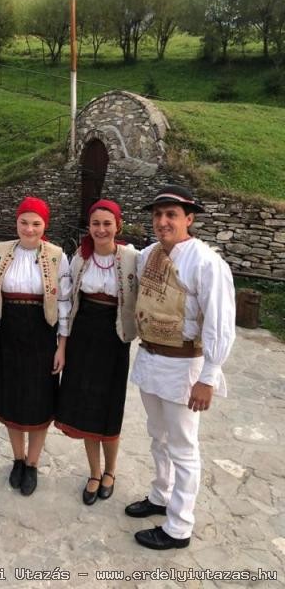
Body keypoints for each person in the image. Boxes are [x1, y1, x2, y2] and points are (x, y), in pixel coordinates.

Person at [125, 185, 235, 550]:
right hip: (151, 359)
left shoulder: (206, 263)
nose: (162, 221)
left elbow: (219, 323)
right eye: (157, 215)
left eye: (171, 215)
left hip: (184, 365)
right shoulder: (148, 256)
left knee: (184, 448)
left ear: (189, 219)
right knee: (158, 436)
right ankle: (160, 495)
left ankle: (179, 527)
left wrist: (208, 376)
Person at [55, 199, 138, 505]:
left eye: (107, 223)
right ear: (88, 227)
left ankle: (111, 471)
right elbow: (68, 302)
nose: (101, 229)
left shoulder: (132, 258)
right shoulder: (79, 259)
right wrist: (63, 345)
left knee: (109, 407)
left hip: (115, 340)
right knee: (86, 407)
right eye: (95, 224)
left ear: (118, 225)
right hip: (83, 339)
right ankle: (93, 471)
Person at [0, 197, 71, 496]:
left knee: (39, 400)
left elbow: (64, 303)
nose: (29, 228)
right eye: (24, 222)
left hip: (41, 334)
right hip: (8, 332)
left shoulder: (56, 256)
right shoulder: (0, 252)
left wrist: (62, 346)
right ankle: (17, 459)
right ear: (16, 223)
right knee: (11, 396)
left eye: (36, 223)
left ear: (44, 225)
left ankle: (33, 463)